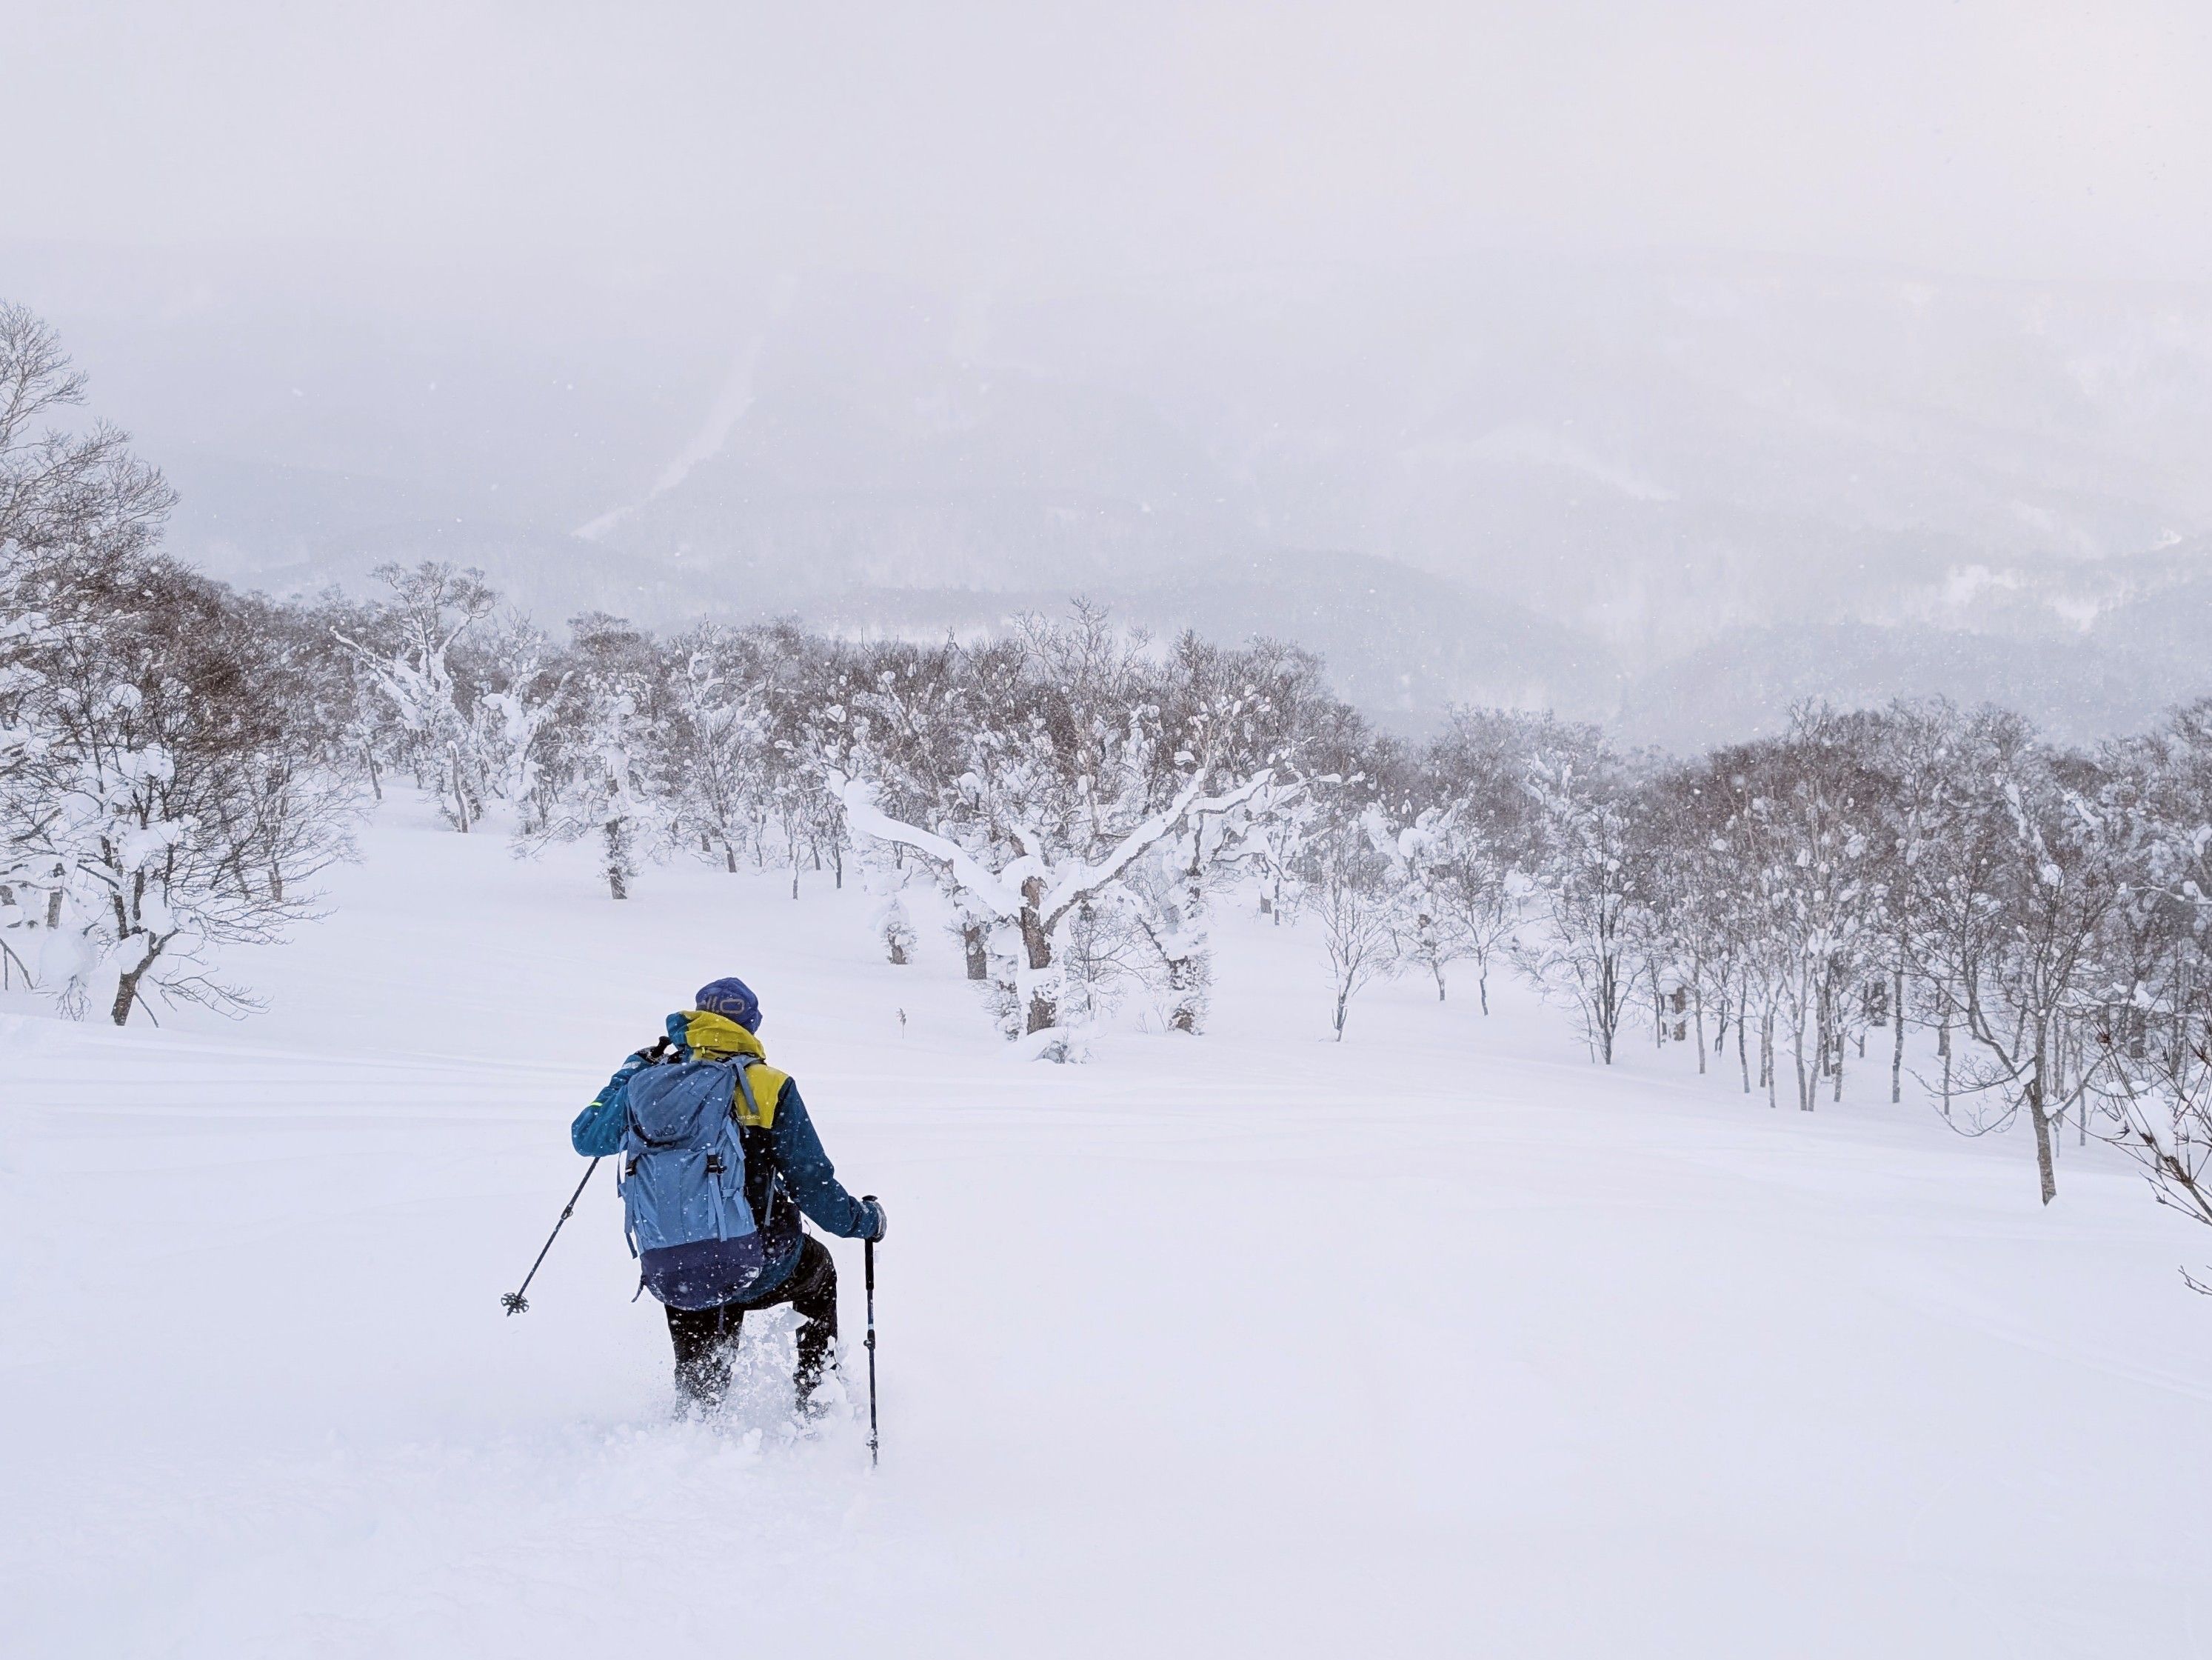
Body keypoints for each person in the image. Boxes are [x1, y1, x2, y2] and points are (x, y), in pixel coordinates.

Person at [571, 976, 886, 1411]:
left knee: (701, 1370)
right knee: (820, 1273)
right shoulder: (768, 1084)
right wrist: (865, 1221)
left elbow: (587, 1137)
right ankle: (817, 1402)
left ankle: (698, 1437)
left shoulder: (650, 1085)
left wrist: (629, 1072)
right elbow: (812, 1185)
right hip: (762, 1261)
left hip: (673, 1261)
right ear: (751, 1026)